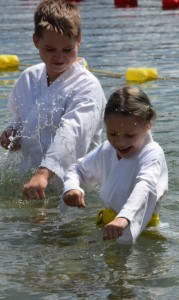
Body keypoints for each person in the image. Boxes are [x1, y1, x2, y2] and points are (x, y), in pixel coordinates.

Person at [0, 0, 106, 200]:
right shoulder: (29, 78)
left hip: (75, 189)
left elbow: (72, 132)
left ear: (79, 40)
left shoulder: (87, 87)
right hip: (31, 181)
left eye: (67, 49)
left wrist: (44, 172)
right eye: (50, 49)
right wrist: (12, 133)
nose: (59, 57)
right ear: (35, 41)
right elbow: (21, 118)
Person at [61, 86, 168, 244]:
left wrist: (124, 218)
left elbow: (145, 187)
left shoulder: (152, 154)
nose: (120, 141)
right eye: (112, 133)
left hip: (142, 230)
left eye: (130, 135)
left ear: (147, 126)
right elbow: (77, 169)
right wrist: (72, 187)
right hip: (109, 226)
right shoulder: (107, 149)